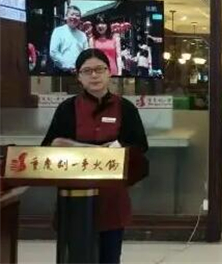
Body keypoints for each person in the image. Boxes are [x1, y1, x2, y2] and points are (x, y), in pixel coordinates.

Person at [41, 48, 148, 264]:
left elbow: (139, 147)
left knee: (109, 257)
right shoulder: (67, 108)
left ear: (109, 72)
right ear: (78, 77)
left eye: (99, 69)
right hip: (74, 199)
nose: (94, 75)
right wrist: (94, 150)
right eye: (87, 71)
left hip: (112, 200)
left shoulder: (125, 108)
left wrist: (117, 150)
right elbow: (50, 147)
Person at [49, 5, 89, 73]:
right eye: (72, 14)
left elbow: (85, 54)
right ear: (66, 16)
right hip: (61, 71)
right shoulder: (58, 31)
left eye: (77, 15)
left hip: (79, 71)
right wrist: (68, 66)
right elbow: (53, 52)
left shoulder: (82, 35)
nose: (74, 17)